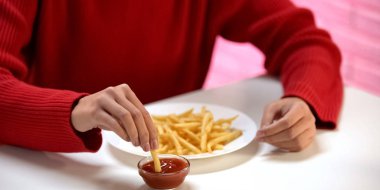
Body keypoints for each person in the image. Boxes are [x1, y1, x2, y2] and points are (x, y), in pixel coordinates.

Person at [0, 0, 343, 153]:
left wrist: (303, 100)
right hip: (56, 169)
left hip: (180, 181)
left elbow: (306, 42)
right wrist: (79, 110)